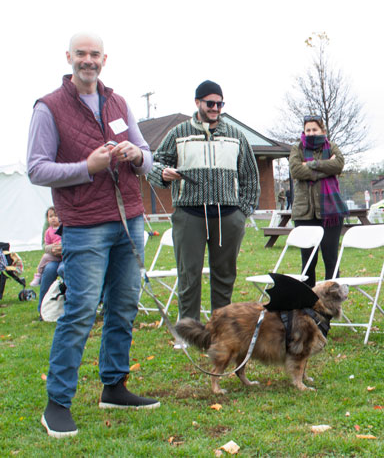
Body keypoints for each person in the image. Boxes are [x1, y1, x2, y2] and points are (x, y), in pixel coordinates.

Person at [27, 33, 158, 438]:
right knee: (81, 312)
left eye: (94, 54)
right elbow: (36, 169)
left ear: (105, 59)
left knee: (123, 307)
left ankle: (114, 387)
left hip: (129, 220)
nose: (88, 60)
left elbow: (147, 156)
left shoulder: (117, 102)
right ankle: (57, 405)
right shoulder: (49, 107)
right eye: (80, 54)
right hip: (84, 225)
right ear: (68, 57)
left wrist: (137, 155)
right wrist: (88, 165)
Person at [148, 80, 259, 324]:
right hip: (189, 214)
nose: (215, 108)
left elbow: (250, 175)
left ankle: (221, 329)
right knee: (189, 275)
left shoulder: (236, 135)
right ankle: (188, 329)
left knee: (224, 275)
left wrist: (243, 212)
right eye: (210, 103)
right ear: (197, 102)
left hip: (228, 215)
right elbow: (154, 165)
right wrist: (163, 174)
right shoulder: (178, 134)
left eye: (220, 103)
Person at [288, 115, 347, 286]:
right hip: (304, 213)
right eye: (308, 130)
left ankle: (332, 300)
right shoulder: (297, 148)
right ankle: (307, 303)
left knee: (330, 259)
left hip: (331, 212)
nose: (311, 133)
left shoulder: (332, 146)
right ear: (304, 131)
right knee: (308, 261)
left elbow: (338, 165)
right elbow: (296, 171)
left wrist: (311, 165)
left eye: (315, 129)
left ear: (322, 130)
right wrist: (325, 166)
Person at [32, 207, 61, 287]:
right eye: (51, 216)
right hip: (55, 255)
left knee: (62, 269)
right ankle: (38, 274)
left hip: (65, 255)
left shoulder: (64, 228)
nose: (53, 218)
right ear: (47, 219)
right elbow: (45, 245)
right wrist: (52, 248)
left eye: (56, 216)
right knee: (47, 263)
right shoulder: (48, 231)